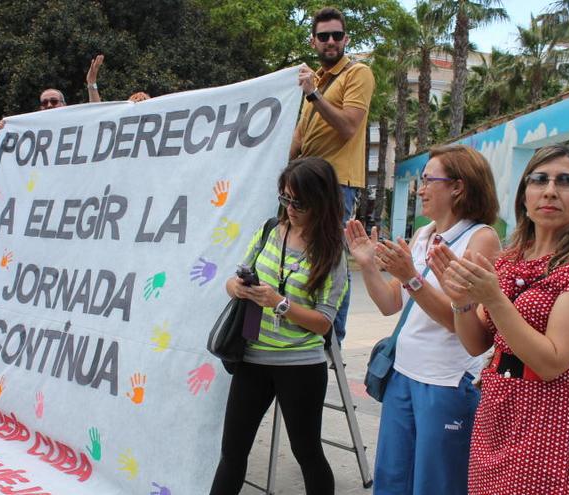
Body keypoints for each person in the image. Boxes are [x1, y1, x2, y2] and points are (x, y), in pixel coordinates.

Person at [429, 144, 569, 495]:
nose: (550, 190)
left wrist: (493, 298)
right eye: (539, 180)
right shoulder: (510, 258)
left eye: (565, 181)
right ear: (524, 196)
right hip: (495, 414)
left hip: (549, 424)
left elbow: (552, 362)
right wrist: (461, 303)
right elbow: (477, 342)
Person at [346, 145, 500, 494]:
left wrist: (412, 277)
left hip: (446, 381)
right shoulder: (424, 234)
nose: (421, 189)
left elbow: (463, 323)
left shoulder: (481, 238)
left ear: (458, 187)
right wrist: (369, 264)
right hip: (404, 374)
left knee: (437, 484)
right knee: (392, 480)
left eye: (430, 179)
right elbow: (390, 304)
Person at [210, 157, 348, 495]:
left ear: (321, 200)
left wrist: (279, 303)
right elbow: (232, 279)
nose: (290, 207)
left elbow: (324, 323)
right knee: (232, 453)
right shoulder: (271, 229)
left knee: (307, 452)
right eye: (284, 197)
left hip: (300, 364)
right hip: (252, 358)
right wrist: (237, 287)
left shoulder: (331, 252)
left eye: (298, 201)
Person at [289, 6, 374, 344]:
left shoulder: (358, 74)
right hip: (304, 183)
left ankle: (331, 338)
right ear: (313, 41)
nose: (330, 41)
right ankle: (307, 326)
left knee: (332, 260)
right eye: (323, 36)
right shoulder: (316, 81)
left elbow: (348, 127)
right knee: (302, 256)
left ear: (346, 38)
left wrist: (313, 94)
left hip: (337, 184)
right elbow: (300, 136)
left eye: (337, 35)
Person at [0, 89, 67, 130]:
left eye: (54, 101)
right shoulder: (30, 127)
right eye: (45, 103)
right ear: (41, 107)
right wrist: (4, 130)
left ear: (63, 104)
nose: (49, 105)